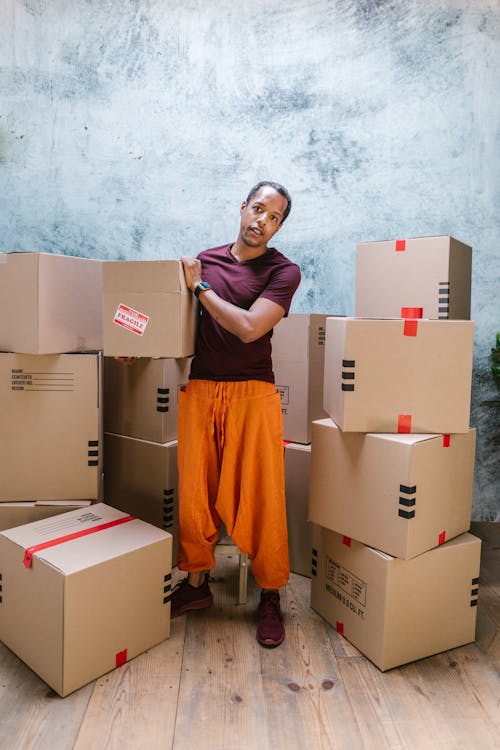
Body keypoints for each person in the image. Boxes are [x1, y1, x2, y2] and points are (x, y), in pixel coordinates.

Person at [173, 180, 301, 648]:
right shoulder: (202, 260)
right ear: (242, 207)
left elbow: (249, 329)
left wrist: (200, 286)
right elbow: (176, 324)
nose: (261, 221)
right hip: (202, 388)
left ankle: (270, 595)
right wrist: (137, 351)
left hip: (253, 394)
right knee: (194, 494)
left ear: (279, 226)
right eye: (257, 208)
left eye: (273, 217)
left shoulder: (284, 271)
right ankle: (195, 586)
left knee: (262, 496)